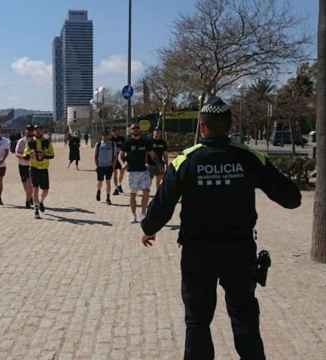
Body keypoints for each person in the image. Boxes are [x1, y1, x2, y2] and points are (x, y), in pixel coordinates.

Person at [140, 96, 301, 360]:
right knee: (244, 317)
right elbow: (292, 199)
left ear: (202, 126)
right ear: (229, 125)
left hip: (197, 253)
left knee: (197, 321)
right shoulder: (249, 158)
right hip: (239, 252)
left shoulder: (185, 160)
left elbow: (163, 203)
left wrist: (149, 227)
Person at [24, 124, 55, 219]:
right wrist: (30, 154)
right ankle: (36, 209)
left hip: (44, 169)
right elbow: (25, 155)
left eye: (40, 129)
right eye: (36, 130)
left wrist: (44, 155)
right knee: (35, 188)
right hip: (34, 168)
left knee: (46, 190)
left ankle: (41, 202)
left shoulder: (46, 141)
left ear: (43, 131)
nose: (38, 131)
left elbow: (52, 155)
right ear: (34, 131)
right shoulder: (30, 142)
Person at [121, 123, 150, 223]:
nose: (136, 129)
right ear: (131, 130)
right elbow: (121, 155)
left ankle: (143, 214)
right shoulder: (127, 142)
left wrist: (158, 164)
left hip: (143, 171)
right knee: (133, 194)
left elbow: (151, 154)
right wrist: (124, 164)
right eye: (134, 128)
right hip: (132, 172)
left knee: (146, 192)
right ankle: (133, 216)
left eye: (137, 128)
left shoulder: (145, 141)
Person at [94, 130, 117, 205]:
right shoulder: (98, 144)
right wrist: (97, 166)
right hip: (100, 166)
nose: (105, 136)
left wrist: (113, 166)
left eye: (106, 135)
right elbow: (95, 156)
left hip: (109, 166)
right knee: (100, 182)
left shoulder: (113, 144)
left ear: (109, 136)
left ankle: (108, 198)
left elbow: (115, 157)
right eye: (103, 135)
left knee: (108, 182)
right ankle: (98, 191)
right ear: (101, 136)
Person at [15, 124, 35, 208]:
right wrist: (23, 156)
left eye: (31, 130)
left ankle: (27, 200)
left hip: (32, 165)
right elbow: (16, 153)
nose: (29, 131)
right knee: (25, 184)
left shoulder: (35, 141)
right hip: (22, 165)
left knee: (30, 184)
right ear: (25, 130)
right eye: (28, 129)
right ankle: (29, 197)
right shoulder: (21, 141)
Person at [111, 128, 126, 195]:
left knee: (122, 172)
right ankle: (116, 187)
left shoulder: (122, 138)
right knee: (115, 173)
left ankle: (119, 184)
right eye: (114, 131)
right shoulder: (111, 139)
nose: (115, 132)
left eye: (116, 131)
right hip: (113, 158)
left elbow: (125, 147)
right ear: (112, 132)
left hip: (121, 158)